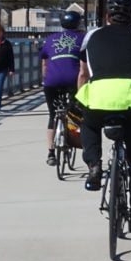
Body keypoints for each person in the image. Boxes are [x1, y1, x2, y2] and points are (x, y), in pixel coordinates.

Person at [75, 0, 131, 233]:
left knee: (90, 124)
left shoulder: (91, 36)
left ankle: (94, 165)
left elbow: (83, 74)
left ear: (107, 16)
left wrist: (83, 100)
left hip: (100, 97)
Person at [41, 11, 85, 165]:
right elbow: (84, 66)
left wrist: (45, 81)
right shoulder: (82, 39)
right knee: (77, 112)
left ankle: (51, 152)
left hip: (51, 81)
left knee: (53, 115)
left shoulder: (50, 39)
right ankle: (77, 141)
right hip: (73, 80)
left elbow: (45, 64)